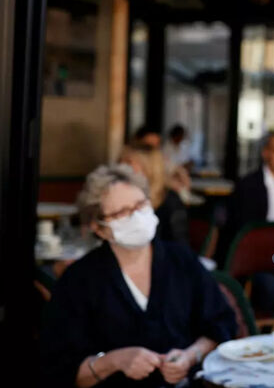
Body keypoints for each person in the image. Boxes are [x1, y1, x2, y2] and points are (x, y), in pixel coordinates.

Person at [40, 164, 236, 387]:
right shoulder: (79, 280)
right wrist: (114, 361)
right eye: (122, 212)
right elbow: (60, 370)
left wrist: (190, 356)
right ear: (99, 228)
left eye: (140, 204)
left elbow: (221, 325)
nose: (135, 216)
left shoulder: (181, 260)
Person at [218, 131, 274, 315]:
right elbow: (238, 233)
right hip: (253, 263)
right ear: (266, 153)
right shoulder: (247, 186)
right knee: (270, 287)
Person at [120, 144, 189, 246]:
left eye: (128, 163)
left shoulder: (170, 202)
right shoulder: (122, 197)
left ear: (149, 168)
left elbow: (179, 246)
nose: (121, 168)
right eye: (120, 162)